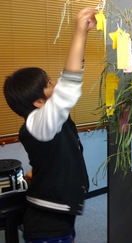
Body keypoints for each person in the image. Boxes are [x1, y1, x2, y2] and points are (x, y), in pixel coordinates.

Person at [3, 7, 99, 242]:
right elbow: (69, 85)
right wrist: (78, 32)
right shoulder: (38, 123)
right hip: (47, 229)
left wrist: (84, 35)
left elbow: (72, 78)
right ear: (38, 102)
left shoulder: (48, 118)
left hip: (60, 217)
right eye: (48, 83)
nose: (55, 82)